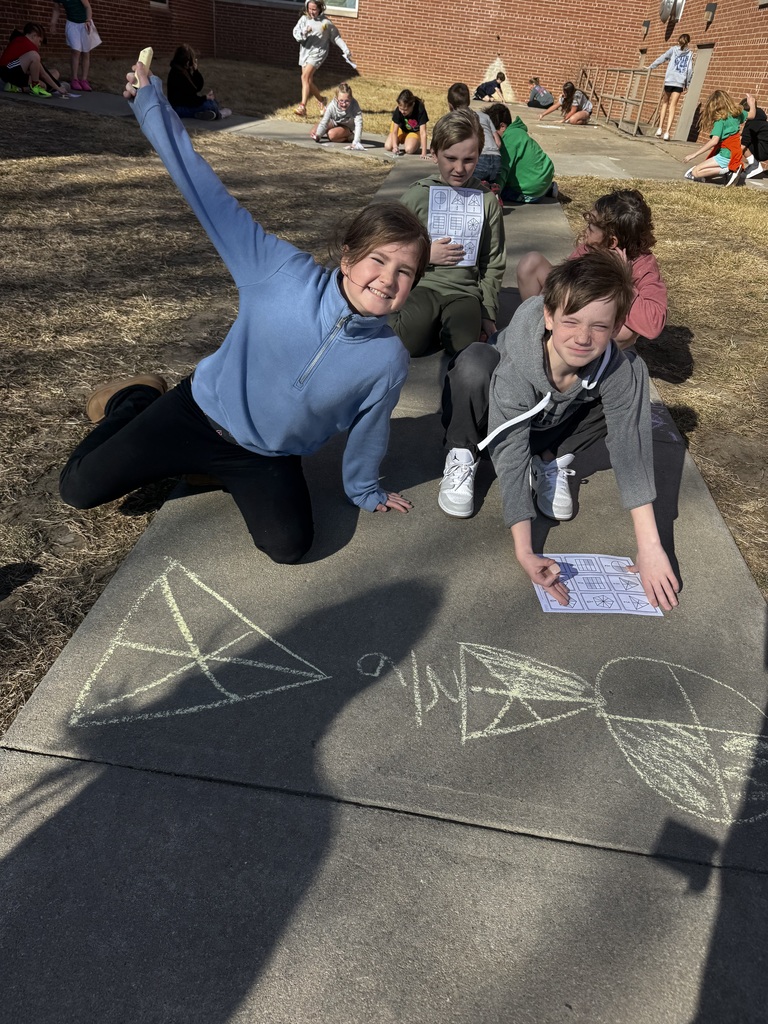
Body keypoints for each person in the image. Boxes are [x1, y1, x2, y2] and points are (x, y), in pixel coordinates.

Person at [59, 61, 431, 565]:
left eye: (405, 272)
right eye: (378, 260)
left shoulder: (387, 360)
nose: (388, 279)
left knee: (289, 546)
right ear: (347, 257)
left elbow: (371, 431)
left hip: (264, 458)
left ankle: (212, 472)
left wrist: (366, 491)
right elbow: (204, 191)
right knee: (78, 488)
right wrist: (151, 105)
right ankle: (136, 399)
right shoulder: (278, 272)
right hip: (195, 413)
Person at [437, 250, 680, 612]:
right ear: (549, 316)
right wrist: (526, 550)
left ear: (616, 328)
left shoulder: (618, 369)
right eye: (571, 321)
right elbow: (510, 448)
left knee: (626, 396)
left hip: (549, 425)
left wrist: (651, 548)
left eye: (599, 326)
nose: (583, 337)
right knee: (474, 361)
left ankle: (549, 458)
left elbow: (631, 449)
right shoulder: (519, 363)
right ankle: (463, 452)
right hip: (495, 423)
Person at [390, 109, 506, 357]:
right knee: (406, 345)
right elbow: (389, 243)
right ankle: (427, 325)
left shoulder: (486, 201)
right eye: (450, 158)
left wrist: (487, 311)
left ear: (478, 157)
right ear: (434, 154)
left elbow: (493, 260)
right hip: (422, 286)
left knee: (463, 349)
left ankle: (449, 326)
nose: (459, 168)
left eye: (469, 160)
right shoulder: (418, 195)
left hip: (465, 292)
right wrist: (424, 254)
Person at [517, 189, 667, 349]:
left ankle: (591, 362)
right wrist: (547, 301)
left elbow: (653, 324)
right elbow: (563, 282)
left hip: (598, 323)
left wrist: (621, 280)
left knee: (625, 332)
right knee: (531, 263)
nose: (585, 229)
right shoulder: (590, 248)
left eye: (591, 226)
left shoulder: (643, 265)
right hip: (577, 306)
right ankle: (538, 334)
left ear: (611, 242)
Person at [292, 0, 354, 118]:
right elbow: (296, 34)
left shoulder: (326, 23)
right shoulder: (304, 19)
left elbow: (336, 37)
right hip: (305, 51)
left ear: (320, 8)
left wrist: (345, 49)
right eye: (310, 9)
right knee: (308, 81)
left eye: (314, 9)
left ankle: (302, 106)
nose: (311, 12)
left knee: (304, 77)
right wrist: (303, 32)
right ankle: (322, 101)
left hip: (318, 52)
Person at [486, 103, 555, 203]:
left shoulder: (508, 140)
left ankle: (538, 192)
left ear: (502, 126)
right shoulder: (518, 132)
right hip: (545, 178)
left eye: (492, 132)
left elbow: (503, 169)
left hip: (532, 191)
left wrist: (493, 191)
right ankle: (549, 189)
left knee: (502, 191)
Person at [683, 90, 756, 185]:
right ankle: (728, 169)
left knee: (695, 172)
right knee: (704, 169)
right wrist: (752, 103)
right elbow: (752, 115)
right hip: (734, 153)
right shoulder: (736, 114)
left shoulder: (720, 121)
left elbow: (714, 141)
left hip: (725, 155)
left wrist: (693, 155)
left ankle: (728, 169)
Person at [447, 82, 501, 183]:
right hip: (496, 159)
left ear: (450, 106)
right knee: (487, 189)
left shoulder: (456, 120)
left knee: (465, 187)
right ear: (469, 102)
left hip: (479, 159)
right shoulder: (485, 116)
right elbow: (498, 143)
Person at [167, 45, 232, 121]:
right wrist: (205, 98)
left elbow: (197, 87)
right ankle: (219, 114)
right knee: (211, 105)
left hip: (185, 105)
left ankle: (201, 114)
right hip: (179, 108)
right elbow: (189, 99)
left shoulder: (183, 71)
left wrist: (195, 71)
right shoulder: (177, 74)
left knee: (214, 102)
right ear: (187, 61)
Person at [647, 34, 693, 141]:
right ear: (688, 42)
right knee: (673, 106)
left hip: (669, 80)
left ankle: (660, 128)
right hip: (680, 82)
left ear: (678, 41)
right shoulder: (690, 54)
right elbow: (690, 70)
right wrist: (687, 83)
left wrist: (651, 66)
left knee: (665, 103)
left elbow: (662, 58)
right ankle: (667, 132)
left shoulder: (673, 50)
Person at [48, 0, 101, 92]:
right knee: (75, 51)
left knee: (86, 52)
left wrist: (88, 20)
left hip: (85, 24)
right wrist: (53, 23)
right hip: (72, 24)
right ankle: (74, 79)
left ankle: (84, 80)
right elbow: (56, 9)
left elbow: (88, 7)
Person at [1, 23, 66, 96]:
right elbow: (43, 73)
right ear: (34, 35)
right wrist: (58, 87)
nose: (39, 45)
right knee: (34, 56)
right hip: (8, 72)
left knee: (54, 73)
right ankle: (35, 86)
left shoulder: (20, 40)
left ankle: (18, 88)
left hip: (17, 73)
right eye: (40, 41)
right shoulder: (29, 46)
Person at [311, 81, 364, 149]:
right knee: (314, 132)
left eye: (347, 101)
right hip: (334, 122)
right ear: (336, 99)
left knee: (331, 135)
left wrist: (356, 142)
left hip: (347, 126)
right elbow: (325, 121)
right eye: (341, 101)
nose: (344, 104)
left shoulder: (354, 105)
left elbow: (359, 123)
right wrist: (318, 136)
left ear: (351, 98)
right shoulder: (332, 105)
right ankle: (329, 132)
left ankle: (349, 136)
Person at [384, 89, 430, 158]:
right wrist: (395, 147)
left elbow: (423, 132)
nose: (402, 112)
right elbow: (394, 132)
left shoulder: (420, 108)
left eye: (405, 110)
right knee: (388, 146)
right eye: (401, 109)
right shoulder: (398, 110)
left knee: (409, 149)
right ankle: (399, 141)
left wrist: (424, 153)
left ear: (412, 105)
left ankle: (416, 142)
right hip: (401, 130)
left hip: (413, 132)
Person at [739, 97, 767, 178]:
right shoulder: (759, 117)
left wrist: (729, 160)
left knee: (739, 141)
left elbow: (743, 143)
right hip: (763, 146)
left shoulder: (753, 122)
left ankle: (754, 165)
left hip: (764, 150)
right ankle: (754, 164)